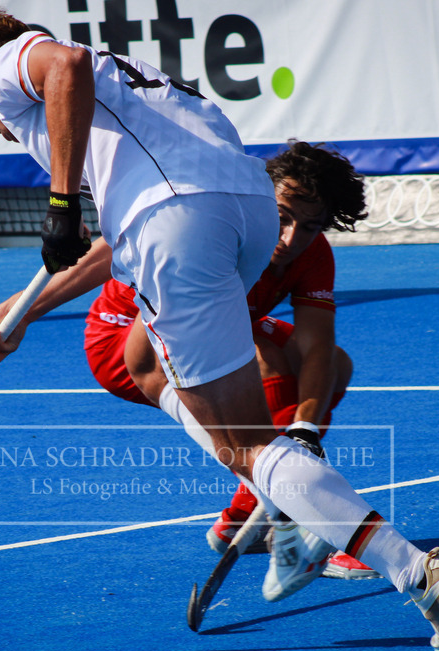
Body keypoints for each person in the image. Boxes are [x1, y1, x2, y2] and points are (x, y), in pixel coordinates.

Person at [0, 9, 439, 651]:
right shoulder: (133, 87)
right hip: (242, 209)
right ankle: (298, 503)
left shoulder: (10, 63)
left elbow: (64, 67)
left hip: (178, 223)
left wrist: (60, 204)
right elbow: (122, 238)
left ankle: (416, 571)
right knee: (205, 410)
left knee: (248, 446)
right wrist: (22, 311)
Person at [83, 141, 381, 580]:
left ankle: (248, 517)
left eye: (311, 226)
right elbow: (107, 251)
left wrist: (305, 429)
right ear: (262, 196)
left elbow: (318, 347)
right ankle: (290, 524)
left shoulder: (313, 254)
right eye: (282, 218)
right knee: (270, 365)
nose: (291, 239)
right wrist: (24, 311)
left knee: (334, 364)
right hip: (126, 345)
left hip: (213, 322)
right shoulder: (223, 225)